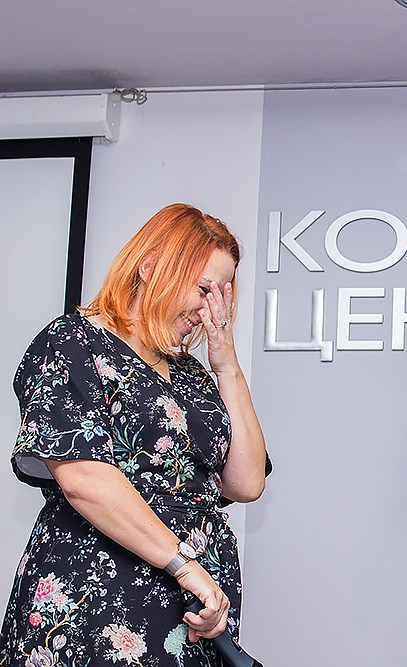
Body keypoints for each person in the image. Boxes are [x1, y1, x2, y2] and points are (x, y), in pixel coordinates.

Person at [0, 204, 269, 666]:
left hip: (191, 612)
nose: (212, 309)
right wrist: (183, 563)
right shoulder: (74, 341)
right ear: (149, 267)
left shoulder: (192, 374)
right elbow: (83, 478)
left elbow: (246, 483)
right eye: (203, 289)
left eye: (222, 295)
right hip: (96, 599)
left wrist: (226, 364)